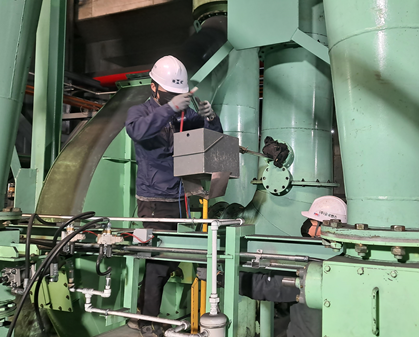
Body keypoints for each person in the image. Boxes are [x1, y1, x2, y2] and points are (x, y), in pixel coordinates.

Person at [125, 55, 223, 337]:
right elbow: (139, 132)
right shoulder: (139, 113)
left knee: (168, 261)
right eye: (169, 93)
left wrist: (210, 117)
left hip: (180, 198)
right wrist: (169, 108)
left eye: (177, 95)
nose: (174, 99)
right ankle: (146, 322)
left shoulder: (183, 116)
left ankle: (144, 314)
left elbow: (213, 138)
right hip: (154, 202)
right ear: (154, 87)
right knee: (157, 264)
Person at [239, 196, 347, 337]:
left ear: (326, 227)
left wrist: (224, 278)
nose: (307, 225)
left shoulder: (317, 265)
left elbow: (272, 287)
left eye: (312, 222)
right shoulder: (343, 258)